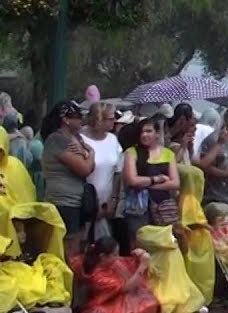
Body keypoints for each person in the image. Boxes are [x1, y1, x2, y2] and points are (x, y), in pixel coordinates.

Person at [40, 100, 95, 255]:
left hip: (78, 200)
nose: (81, 120)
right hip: (63, 200)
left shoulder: (77, 138)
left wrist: (86, 153)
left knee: (78, 244)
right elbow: (84, 168)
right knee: (69, 247)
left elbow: (91, 166)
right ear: (66, 119)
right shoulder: (57, 139)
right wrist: (91, 153)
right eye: (77, 116)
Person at [121, 117, 183, 250]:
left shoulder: (168, 154)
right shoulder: (132, 152)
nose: (144, 135)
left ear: (157, 133)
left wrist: (145, 184)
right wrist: (155, 179)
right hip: (138, 207)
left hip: (163, 206)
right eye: (142, 132)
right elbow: (131, 180)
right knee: (140, 243)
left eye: (149, 131)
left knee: (166, 243)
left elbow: (175, 183)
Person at [75, 237, 161, 313]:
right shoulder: (99, 277)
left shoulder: (110, 263)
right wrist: (142, 266)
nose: (118, 257)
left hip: (115, 300)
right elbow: (127, 287)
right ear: (103, 256)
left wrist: (139, 255)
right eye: (115, 254)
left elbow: (128, 263)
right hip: (107, 305)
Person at [81, 102, 124, 243]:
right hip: (85, 201)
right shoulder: (81, 139)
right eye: (111, 119)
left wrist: (113, 200)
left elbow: (117, 171)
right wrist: (94, 203)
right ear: (99, 119)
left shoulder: (113, 140)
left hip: (107, 203)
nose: (114, 122)